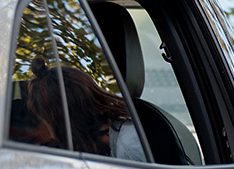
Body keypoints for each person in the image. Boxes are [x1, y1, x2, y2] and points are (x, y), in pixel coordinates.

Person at [18, 63, 146, 162]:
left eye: (45, 122)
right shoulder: (92, 146)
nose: (51, 135)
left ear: (62, 122)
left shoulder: (130, 149)